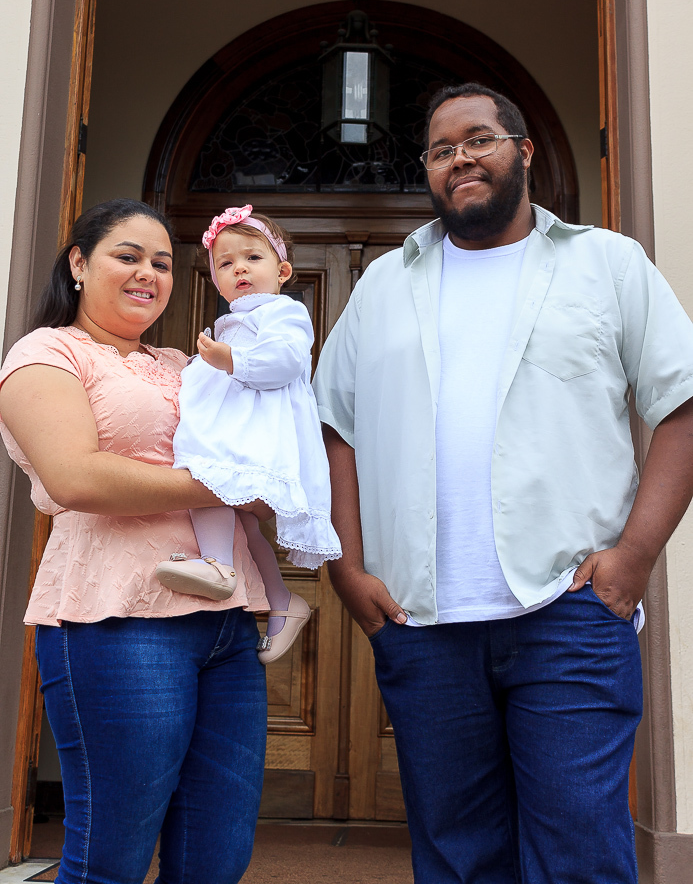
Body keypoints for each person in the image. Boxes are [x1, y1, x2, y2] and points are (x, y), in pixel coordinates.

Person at [313, 83, 693, 884]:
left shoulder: (606, 262)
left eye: (477, 139)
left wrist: (635, 556)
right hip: (422, 622)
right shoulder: (384, 283)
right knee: (456, 857)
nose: (459, 159)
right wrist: (343, 568)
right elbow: (331, 426)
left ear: (522, 152)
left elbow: (681, 403)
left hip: (569, 612)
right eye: (440, 149)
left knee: (578, 856)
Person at [0, 199, 274, 884]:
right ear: (79, 263)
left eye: (162, 262)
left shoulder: (187, 363)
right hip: (117, 619)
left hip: (224, 624)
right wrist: (229, 485)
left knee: (216, 856)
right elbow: (76, 476)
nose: (148, 272)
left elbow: (269, 460)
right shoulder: (46, 352)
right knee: (110, 858)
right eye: (128, 255)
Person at [157, 204, 341, 662]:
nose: (239, 267)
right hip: (242, 429)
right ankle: (281, 601)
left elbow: (287, 361)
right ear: (214, 280)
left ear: (282, 272)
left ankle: (219, 565)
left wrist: (229, 361)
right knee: (240, 517)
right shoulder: (233, 323)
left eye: (252, 258)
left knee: (206, 480)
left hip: (260, 434)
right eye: (226, 262)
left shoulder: (283, 312)